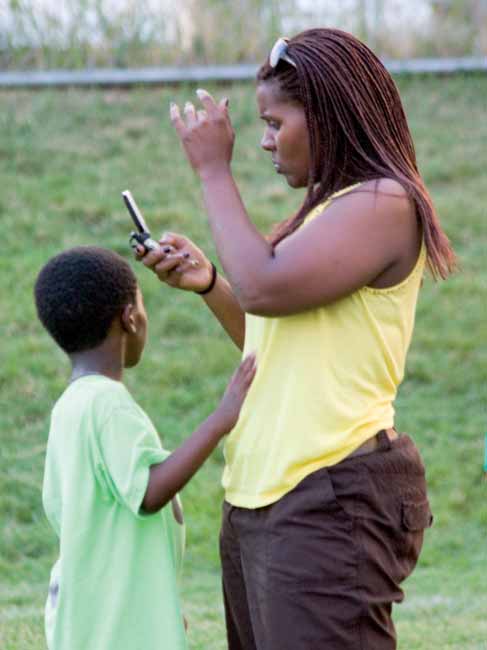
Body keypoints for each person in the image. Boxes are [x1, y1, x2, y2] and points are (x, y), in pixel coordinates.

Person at [138, 28, 456, 650]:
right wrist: (211, 285)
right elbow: (270, 350)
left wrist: (211, 171)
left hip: (329, 497)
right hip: (264, 499)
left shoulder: (384, 203)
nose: (263, 140)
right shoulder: (324, 214)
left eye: (274, 121)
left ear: (329, 116)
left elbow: (263, 286)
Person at [34, 246, 256, 650]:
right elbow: (149, 493)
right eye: (141, 302)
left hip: (96, 615)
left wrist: (154, 604)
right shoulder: (108, 404)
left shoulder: (70, 406)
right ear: (129, 317)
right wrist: (222, 418)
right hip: (117, 627)